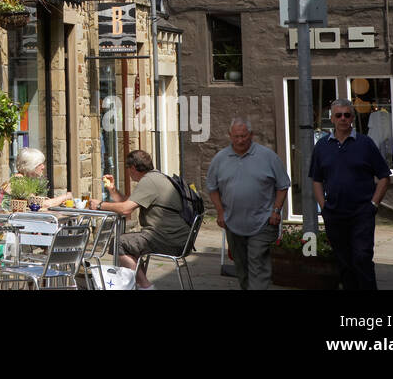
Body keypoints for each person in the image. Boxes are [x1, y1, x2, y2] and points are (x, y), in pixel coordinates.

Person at [310, 98, 390, 291]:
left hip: (362, 212)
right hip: (335, 213)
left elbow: (384, 177)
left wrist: (373, 205)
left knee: (361, 258)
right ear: (332, 118)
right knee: (344, 262)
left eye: (347, 115)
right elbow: (316, 180)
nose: (343, 119)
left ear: (352, 118)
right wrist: (324, 207)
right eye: (339, 115)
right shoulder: (322, 146)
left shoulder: (365, 143)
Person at [206, 116, 289, 290]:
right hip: (233, 223)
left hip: (262, 222)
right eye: (236, 136)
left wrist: (276, 210)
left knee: (257, 263)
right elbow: (212, 189)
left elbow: (283, 185)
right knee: (241, 267)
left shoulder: (268, 157)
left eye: (244, 136)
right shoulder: (220, 159)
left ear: (251, 135)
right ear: (230, 135)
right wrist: (220, 212)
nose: (240, 140)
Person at [94, 149, 190, 290]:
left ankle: (145, 286)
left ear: (133, 168)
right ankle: (136, 284)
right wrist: (113, 190)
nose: (128, 172)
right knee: (130, 244)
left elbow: (126, 209)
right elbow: (129, 202)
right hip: (177, 236)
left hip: (168, 238)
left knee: (119, 243)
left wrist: (100, 205)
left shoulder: (149, 181)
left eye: (128, 169)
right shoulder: (157, 177)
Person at [0, 147, 73, 209]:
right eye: (39, 164)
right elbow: (41, 204)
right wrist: (65, 197)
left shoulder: (21, 180)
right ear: (30, 166)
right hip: (7, 224)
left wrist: (57, 201)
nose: (43, 167)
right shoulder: (19, 182)